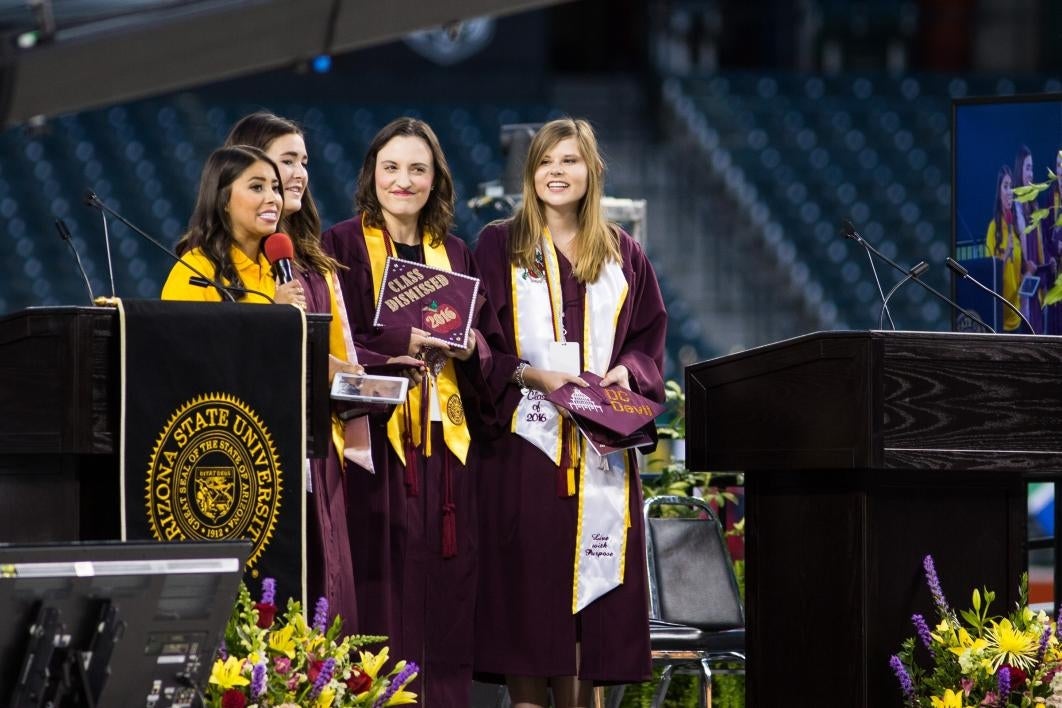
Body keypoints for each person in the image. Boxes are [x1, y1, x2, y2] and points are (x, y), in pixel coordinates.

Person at [472, 118, 667, 708]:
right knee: (529, 601)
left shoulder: (623, 252)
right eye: (546, 161)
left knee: (593, 603)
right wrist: (531, 375)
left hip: (599, 452)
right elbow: (479, 340)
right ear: (531, 174)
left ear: (592, 172)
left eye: (571, 160)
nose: (558, 172)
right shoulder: (499, 243)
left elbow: (648, 337)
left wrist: (627, 372)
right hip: (526, 449)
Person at [321, 117, 503, 707]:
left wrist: (472, 346)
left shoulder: (456, 253)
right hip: (373, 447)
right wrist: (403, 344)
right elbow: (334, 345)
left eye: (417, 169)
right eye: (391, 167)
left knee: (445, 598)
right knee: (379, 594)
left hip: (445, 454)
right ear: (372, 174)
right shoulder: (340, 245)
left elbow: (489, 347)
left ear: (435, 180)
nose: (404, 180)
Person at [222, 111, 378, 633]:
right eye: (286, 161)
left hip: (319, 454)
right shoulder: (211, 265)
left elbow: (336, 355)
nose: (300, 174)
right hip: (252, 457)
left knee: (323, 602)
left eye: (303, 162)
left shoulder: (310, 262)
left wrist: (370, 373)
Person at [160, 144, 304, 307]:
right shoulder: (195, 273)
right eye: (257, 187)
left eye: (275, 188)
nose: (273, 199)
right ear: (224, 201)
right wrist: (276, 314)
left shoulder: (276, 272)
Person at [985, 164, 1023, 332]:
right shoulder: (993, 229)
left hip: (1017, 316)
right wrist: (1006, 254)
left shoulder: (1015, 228)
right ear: (999, 191)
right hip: (999, 321)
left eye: (1012, 187)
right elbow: (989, 275)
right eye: (1006, 186)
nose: (1009, 191)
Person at [1014, 145, 1046, 333]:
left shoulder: (1034, 205)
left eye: (1032, 168)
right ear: (1020, 169)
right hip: (1022, 278)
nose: (1031, 173)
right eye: (1027, 168)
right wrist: (1026, 265)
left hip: (1036, 277)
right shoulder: (1014, 205)